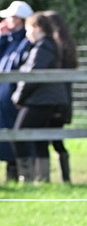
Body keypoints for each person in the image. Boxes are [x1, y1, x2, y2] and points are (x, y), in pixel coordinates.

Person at [11, 11, 70, 183]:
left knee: (18, 135)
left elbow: (32, 76)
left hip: (40, 100)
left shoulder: (43, 47)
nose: (27, 34)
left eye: (29, 29)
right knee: (40, 138)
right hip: (46, 99)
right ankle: (42, 178)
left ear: (37, 28)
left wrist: (18, 97)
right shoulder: (46, 45)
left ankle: (27, 177)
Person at [0, 0, 34, 183]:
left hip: (14, 98)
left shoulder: (25, 42)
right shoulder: (9, 40)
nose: (5, 20)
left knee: (15, 137)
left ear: (19, 19)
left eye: (10, 17)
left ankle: (20, 175)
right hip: (4, 100)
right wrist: (2, 37)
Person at [43, 11, 76, 183]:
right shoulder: (68, 45)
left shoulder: (53, 47)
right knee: (57, 139)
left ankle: (47, 177)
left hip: (54, 99)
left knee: (47, 139)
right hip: (64, 100)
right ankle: (65, 177)